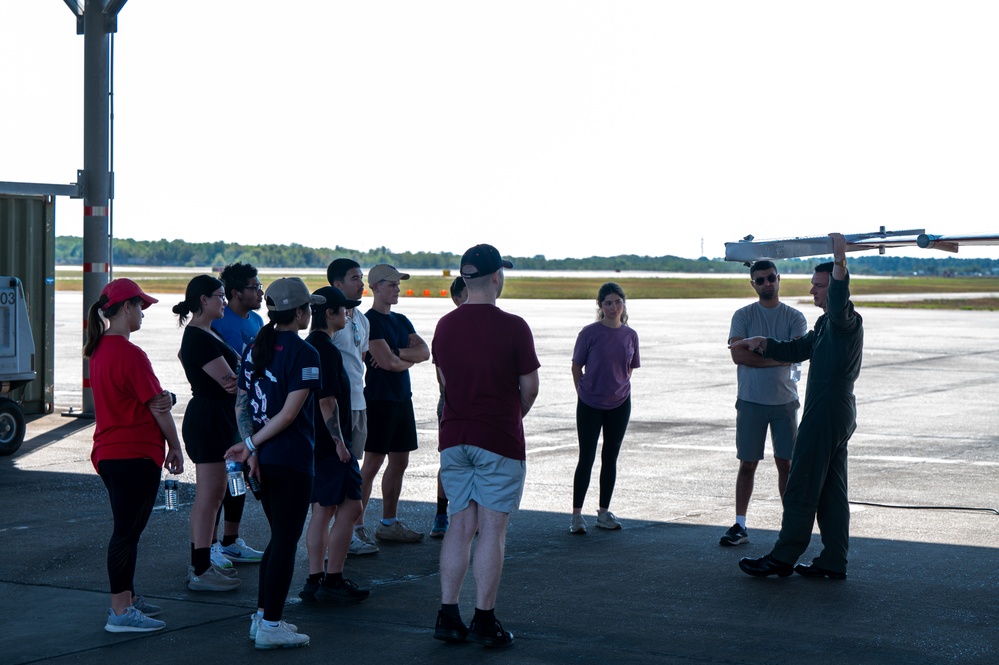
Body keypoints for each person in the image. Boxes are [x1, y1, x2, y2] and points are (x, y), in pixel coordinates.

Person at [735, 233, 863, 581]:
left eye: (818, 286)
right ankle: (834, 559)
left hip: (827, 411)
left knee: (802, 485)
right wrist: (764, 344)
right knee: (832, 492)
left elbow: (839, 299)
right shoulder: (824, 325)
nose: (813, 291)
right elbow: (796, 349)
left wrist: (839, 262)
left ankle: (783, 556)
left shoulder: (842, 319)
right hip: (835, 411)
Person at [432, 244, 540, 648]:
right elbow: (529, 387)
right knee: (492, 530)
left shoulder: (445, 325)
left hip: (454, 438)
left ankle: (447, 613)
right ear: (496, 276)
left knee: (459, 526)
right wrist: (511, 416)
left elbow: (445, 382)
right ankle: (484, 618)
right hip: (498, 438)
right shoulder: (514, 326)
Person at [225, 278, 324, 649]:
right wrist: (249, 445)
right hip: (292, 459)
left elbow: (243, 405)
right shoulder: (305, 353)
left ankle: (262, 616)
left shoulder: (255, 347)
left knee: (277, 539)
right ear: (299, 312)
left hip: (263, 459)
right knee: (285, 541)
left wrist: (250, 449)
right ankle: (271, 624)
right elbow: (287, 415)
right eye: (307, 308)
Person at [85, 278, 184, 633]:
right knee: (126, 532)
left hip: (109, 453)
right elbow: (157, 406)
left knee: (128, 531)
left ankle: (127, 597)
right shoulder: (130, 353)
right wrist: (175, 445)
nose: (143, 313)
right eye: (140, 306)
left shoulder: (99, 350)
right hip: (134, 454)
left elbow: (150, 399)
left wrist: (165, 397)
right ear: (126, 308)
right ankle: (120, 612)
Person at [720, 261, 807, 547]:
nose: (767, 284)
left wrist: (761, 354)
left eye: (771, 278)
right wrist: (779, 356)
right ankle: (740, 524)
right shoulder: (743, 315)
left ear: (779, 279)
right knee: (748, 463)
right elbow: (738, 356)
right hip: (751, 401)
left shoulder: (795, 317)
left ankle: (790, 524)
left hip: (785, 402)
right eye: (761, 280)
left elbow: (798, 353)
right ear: (753, 284)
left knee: (786, 463)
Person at [300, 286, 371, 604]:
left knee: (323, 508)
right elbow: (327, 402)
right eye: (344, 309)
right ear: (329, 313)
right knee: (351, 507)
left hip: (315, 441)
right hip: (331, 443)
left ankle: (316, 579)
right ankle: (332, 579)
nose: (348, 313)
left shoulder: (310, 346)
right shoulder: (325, 350)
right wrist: (341, 443)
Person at [173, 275, 242, 592]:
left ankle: (205, 562)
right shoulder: (199, 338)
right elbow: (230, 382)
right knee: (209, 496)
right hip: (210, 418)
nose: (225, 301)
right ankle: (200, 569)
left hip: (217, 416)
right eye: (220, 296)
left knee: (215, 495)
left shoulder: (206, 332)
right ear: (203, 300)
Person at [358, 264, 430, 543]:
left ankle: (388, 522)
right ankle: (356, 526)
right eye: (391, 284)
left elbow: (424, 352)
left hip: (402, 399)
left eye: (398, 285)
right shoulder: (370, 321)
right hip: (379, 399)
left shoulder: (401, 321)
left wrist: (399, 356)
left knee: (400, 461)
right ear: (375, 287)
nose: (397, 289)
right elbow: (383, 361)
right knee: (373, 463)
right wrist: (401, 360)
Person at [569, 282, 641, 534]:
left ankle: (603, 512)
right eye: (608, 303)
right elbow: (576, 366)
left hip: (620, 403)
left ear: (623, 304)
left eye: (617, 302)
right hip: (589, 402)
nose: (613, 307)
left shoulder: (630, 334)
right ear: (600, 306)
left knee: (610, 456)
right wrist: (583, 392)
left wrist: (619, 388)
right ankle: (577, 516)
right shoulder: (589, 333)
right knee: (586, 457)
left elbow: (629, 368)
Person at [208, 262, 266, 567]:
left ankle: (231, 541)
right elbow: (193, 355)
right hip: (223, 413)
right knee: (218, 480)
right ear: (235, 293)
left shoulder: (257, 320)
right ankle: (212, 544)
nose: (259, 292)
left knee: (239, 478)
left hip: (248, 415)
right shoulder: (219, 320)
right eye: (254, 287)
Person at [326, 258, 378, 555]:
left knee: (352, 466)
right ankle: (335, 537)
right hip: (338, 407)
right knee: (338, 470)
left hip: (359, 403)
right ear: (337, 284)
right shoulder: (331, 319)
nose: (361, 283)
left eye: (362, 277)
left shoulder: (361, 318)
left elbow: (360, 360)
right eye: (355, 278)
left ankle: (345, 533)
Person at [430, 275, 467, 538]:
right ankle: (441, 514)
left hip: (476, 402)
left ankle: (467, 513)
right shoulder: (448, 326)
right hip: (453, 402)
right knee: (450, 461)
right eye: (467, 293)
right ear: (456, 299)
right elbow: (441, 373)